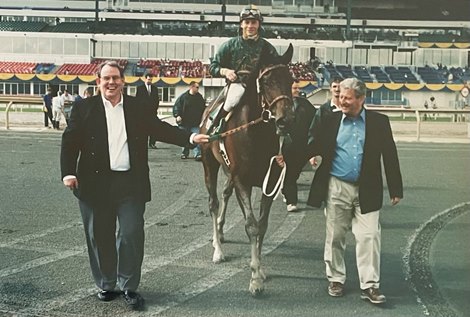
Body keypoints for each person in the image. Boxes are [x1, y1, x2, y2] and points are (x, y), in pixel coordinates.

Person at [60, 61, 209, 310]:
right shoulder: (84, 107)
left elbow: (159, 128)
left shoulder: (136, 107)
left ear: (123, 81)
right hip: (94, 183)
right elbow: (70, 140)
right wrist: (68, 172)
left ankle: (129, 286)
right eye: (106, 78)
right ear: (98, 81)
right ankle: (107, 284)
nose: (111, 83)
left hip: (130, 183)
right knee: (100, 235)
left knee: (131, 233)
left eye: (116, 78)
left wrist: (190, 137)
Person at [306, 78, 403, 305]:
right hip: (337, 186)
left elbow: (390, 155)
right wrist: (311, 154)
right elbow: (314, 141)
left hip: (368, 188)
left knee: (369, 236)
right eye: (340, 97)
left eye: (348, 98)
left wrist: (395, 188)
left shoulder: (379, 122)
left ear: (361, 99)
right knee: (335, 236)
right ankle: (336, 279)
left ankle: (370, 286)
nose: (342, 102)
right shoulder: (330, 118)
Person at [208, 4, 280, 134]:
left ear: (259, 25)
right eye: (247, 22)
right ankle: (216, 127)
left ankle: (283, 135)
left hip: (261, 87)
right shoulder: (229, 45)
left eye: (254, 22)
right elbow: (213, 67)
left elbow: (276, 68)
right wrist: (225, 71)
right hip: (238, 84)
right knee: (232, 100)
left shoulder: (267, 48)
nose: (250, 26)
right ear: (241, 24)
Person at [281, 80, 316, 212]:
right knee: (290, 173)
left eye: (298, 88)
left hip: (303, 146)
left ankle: (286, 190)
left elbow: (315, 121)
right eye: (294, 88)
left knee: (294, 174)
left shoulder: (305, 104)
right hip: (287, 145)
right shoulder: (282, 104)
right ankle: (292, 201)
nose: (297, 90)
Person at [173, 81, 206, 160]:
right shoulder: (183, 97)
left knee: (197, 138)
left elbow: (203, 109)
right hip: (184, 123)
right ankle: (184, 153)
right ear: (191, 87)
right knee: (184, 138)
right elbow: (177, 107)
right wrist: (177, 115)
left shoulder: (200, 98)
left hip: (195, 122)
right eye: (197, 87)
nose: (198, 89)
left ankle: (198, 154)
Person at [307, 77, 342, 145]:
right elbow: (314, 132)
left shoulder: (348, 110)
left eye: (340, 87)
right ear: (330, 89)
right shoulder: (323, 110)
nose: (337, 89)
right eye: (334, 86)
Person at [136, 73, 160, 149]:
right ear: (145, 79)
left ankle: (152, 143)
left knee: (154, 128)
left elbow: (157, 100)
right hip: (143, 113)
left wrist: (155, 109)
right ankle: (143, 143)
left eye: (151, 79)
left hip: (152, 113)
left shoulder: (155, 89)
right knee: (143, 129)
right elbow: (138, 100)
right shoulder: (140, 88)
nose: (150, 81)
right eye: (149, 79)